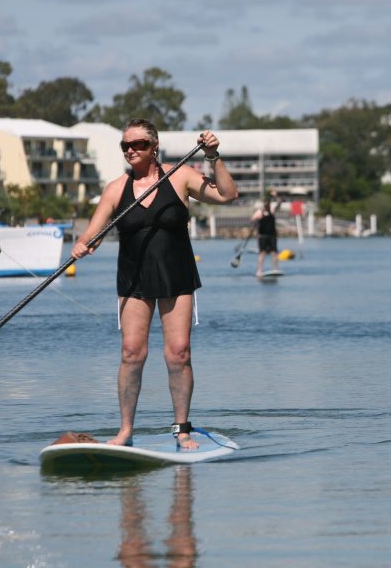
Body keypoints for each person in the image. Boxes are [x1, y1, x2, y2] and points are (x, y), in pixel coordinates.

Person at [71, 119, 238, 449]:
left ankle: (182, 429)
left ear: (154, 147)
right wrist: (82, 244)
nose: (131, 150)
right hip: (133, 280)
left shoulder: (180, 177)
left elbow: (228, 195)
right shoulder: (116, 189)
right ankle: (125, 431)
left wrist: (213, 157)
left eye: (139, 144)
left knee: (178, 354)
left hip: (176, 276)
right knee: (132, 354)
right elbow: (92, 233)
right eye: (126, 146)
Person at [251, 189, 282, 277]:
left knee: (274, 253)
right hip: (262, 236)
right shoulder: (259, 212)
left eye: (268, 202)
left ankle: (275, 269)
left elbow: (279, 203)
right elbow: (252, 220)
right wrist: (257, 218)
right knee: (262, 253)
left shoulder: (272, 210)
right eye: (265, 202)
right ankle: (259, 271)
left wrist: (275, 196)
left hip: (272, 235)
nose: (267, 204)